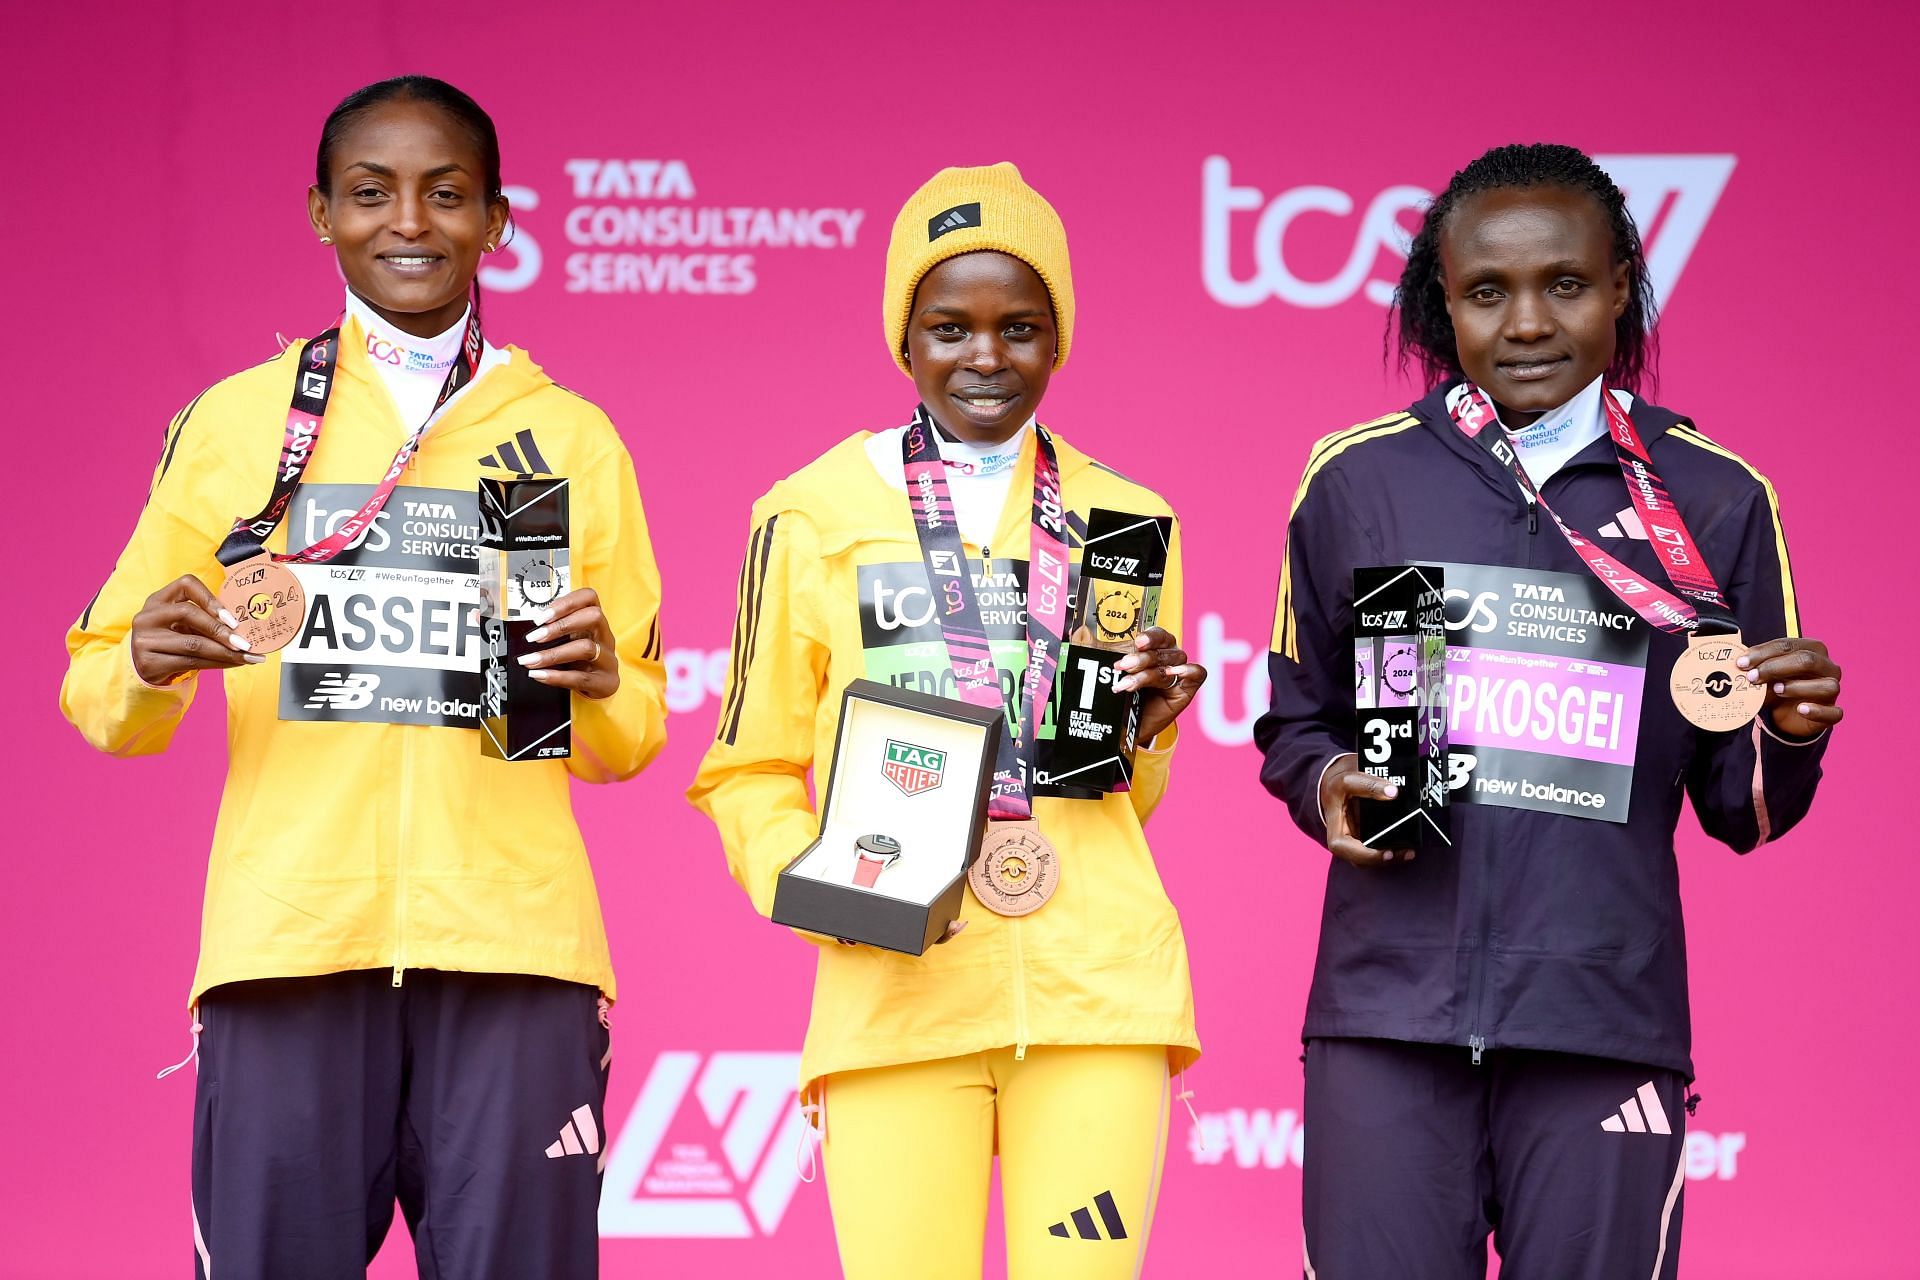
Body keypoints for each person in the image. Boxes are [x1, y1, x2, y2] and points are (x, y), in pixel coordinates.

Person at [60, 76, 667, 1280]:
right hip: (288, 945)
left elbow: (632, 728)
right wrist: (142, 658)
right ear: (319, 212)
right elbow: (100, 695)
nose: (409, 223)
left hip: (514, 953)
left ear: (497, 220)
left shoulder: (574, 437)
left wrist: (602, 685)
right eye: (371, 193)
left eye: (447, 195)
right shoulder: (237, 425)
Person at [1255, 143, 1842, 1280]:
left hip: (1600, 1018)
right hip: (1389, 1014)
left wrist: (1790, 731)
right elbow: (1298, 722)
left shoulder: (1716, 499)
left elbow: (1743, 808)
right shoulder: (1356, 480)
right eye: (1488, 292)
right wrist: (1329, 787)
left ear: (1622, 283)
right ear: (1445, 304)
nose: (1528, 322)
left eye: (1565, 284)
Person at [689, 163, 1204, 1280]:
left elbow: (1119, 793)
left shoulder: (1124, 520)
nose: (984, 356)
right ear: (902, 339)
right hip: (896, 996)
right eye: (948, 326)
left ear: (1058, 340)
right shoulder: (809, 514)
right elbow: (746, 768)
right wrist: (826, 885)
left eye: (1019, 326)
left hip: (1097, 993)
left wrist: (1147, 734)